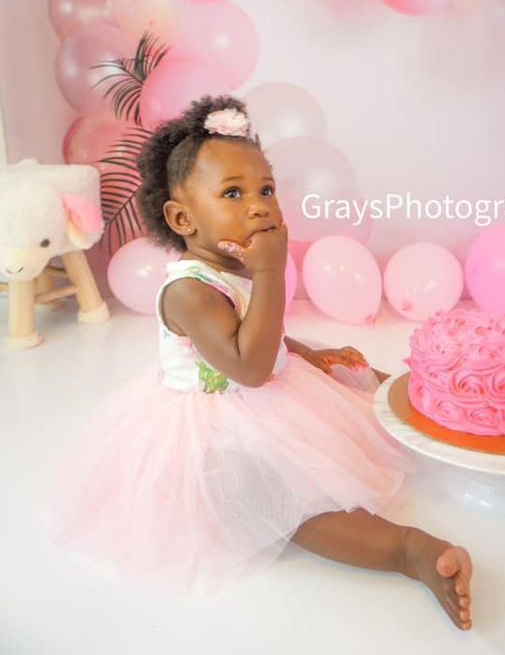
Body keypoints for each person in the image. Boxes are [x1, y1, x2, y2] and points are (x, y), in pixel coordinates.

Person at [46, 94, 472, 631]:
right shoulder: (187, 292)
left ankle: (450, 413)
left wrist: (306, 352)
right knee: (284, 505)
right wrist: (270, 274)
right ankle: (407, 551)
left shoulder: (233, 269)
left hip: (264, 397)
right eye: (232, 193)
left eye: (265, 190)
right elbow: (247, 367)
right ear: (182, 218)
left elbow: (259, 336)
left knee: (356, 387)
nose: (259, 205)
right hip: (214, 433)